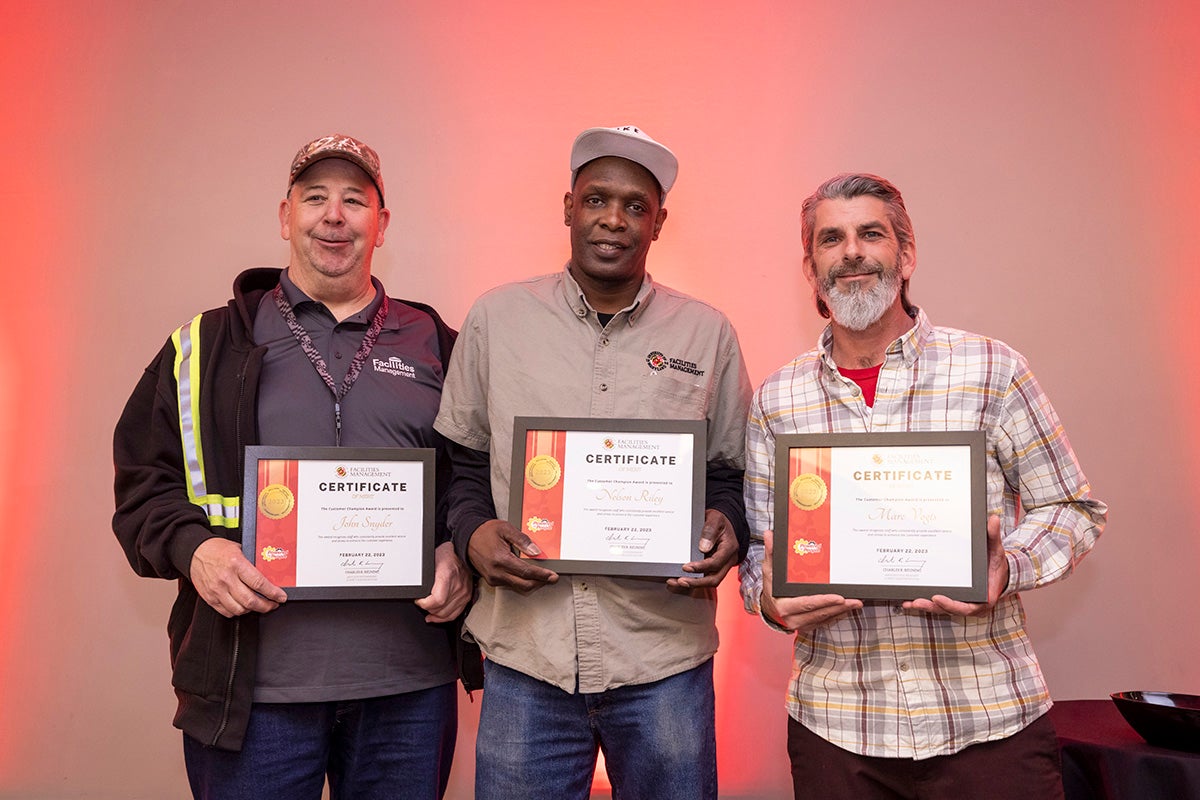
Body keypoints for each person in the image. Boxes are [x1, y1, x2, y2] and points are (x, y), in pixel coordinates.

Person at [112, 134, 478, 800]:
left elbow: (477, 484)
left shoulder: (440, 344)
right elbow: (143, 488)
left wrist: (461, 551)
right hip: (252, 696)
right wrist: (196, 553)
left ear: (382, 224)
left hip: (407, 693)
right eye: (315, 199)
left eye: (353, 200)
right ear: (286, 217)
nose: (333, 216)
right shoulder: (207, 345)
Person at [740, 173, 1108, 799]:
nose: (851, 251)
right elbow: (758, 556)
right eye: (831, 239)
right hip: (837, 727)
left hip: (989, 719)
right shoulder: (779, 399)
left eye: (871, 234)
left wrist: (1007, 568)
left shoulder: (992, 369)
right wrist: (770, 602)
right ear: (811, 267)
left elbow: (1073, 510)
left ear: (906, 255)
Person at [434, 125, 752, 800]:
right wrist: (472, 532)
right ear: (568, 206)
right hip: (529, 656)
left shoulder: (707, 332)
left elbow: (729, 471)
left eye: (636, 205)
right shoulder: (497, 318)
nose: (614, 218)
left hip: (663, 657)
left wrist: (728, 523)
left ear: (659, 222)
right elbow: (462, 461)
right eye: (598, 198)